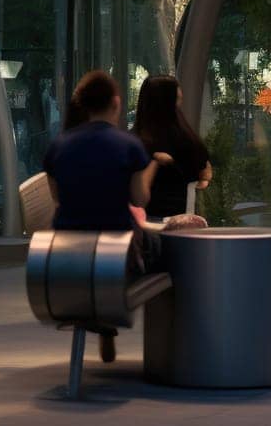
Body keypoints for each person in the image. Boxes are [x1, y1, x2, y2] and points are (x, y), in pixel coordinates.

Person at [43, 71, 174, 364]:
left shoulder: (59, 145)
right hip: (117, 256)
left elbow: (58, 198)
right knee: (169, 250)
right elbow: (140, 199)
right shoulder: (127, 145)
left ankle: (105, 328)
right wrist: (153, 166)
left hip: (64, 257)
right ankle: (172, 347)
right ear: (116, 103)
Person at [131, 75, 213, 222]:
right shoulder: (184, 138)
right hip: (180, 219)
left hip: (141, 221)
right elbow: (205, 172)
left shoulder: (133, 140)